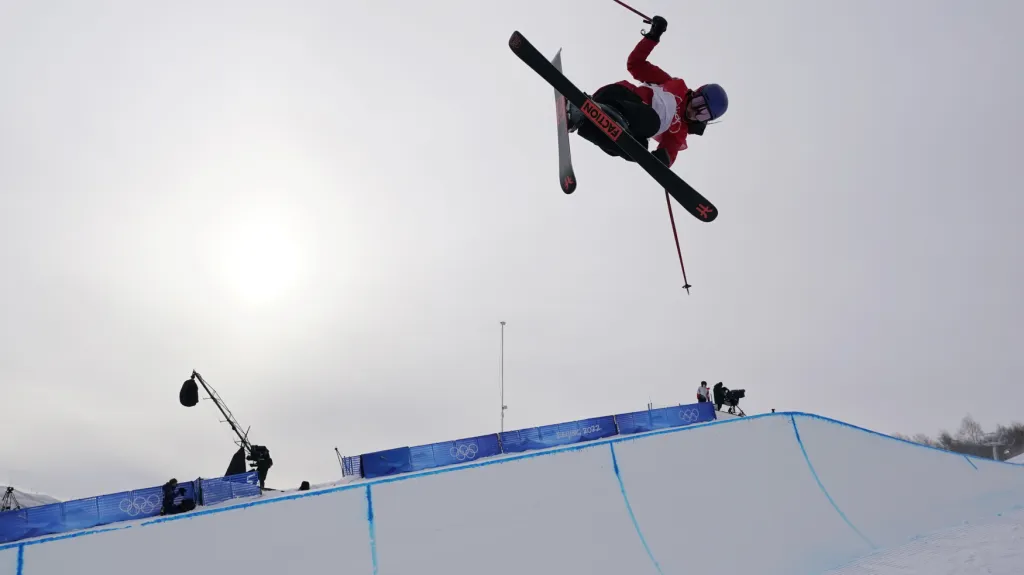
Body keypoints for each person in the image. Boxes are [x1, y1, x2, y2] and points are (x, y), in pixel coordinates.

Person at [565, 15, 729, 168]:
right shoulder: (674, 85)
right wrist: (653, 36)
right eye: (699, 103)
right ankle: (598, 109)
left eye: (702, 114)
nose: (694, 112)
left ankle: (581, 119)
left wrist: (661, 162)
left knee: (637, 150)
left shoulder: (680, 132)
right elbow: (635, 64)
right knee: (652, 123)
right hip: (619, 96)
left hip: (627, 125)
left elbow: (670, 152)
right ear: (695, 93)